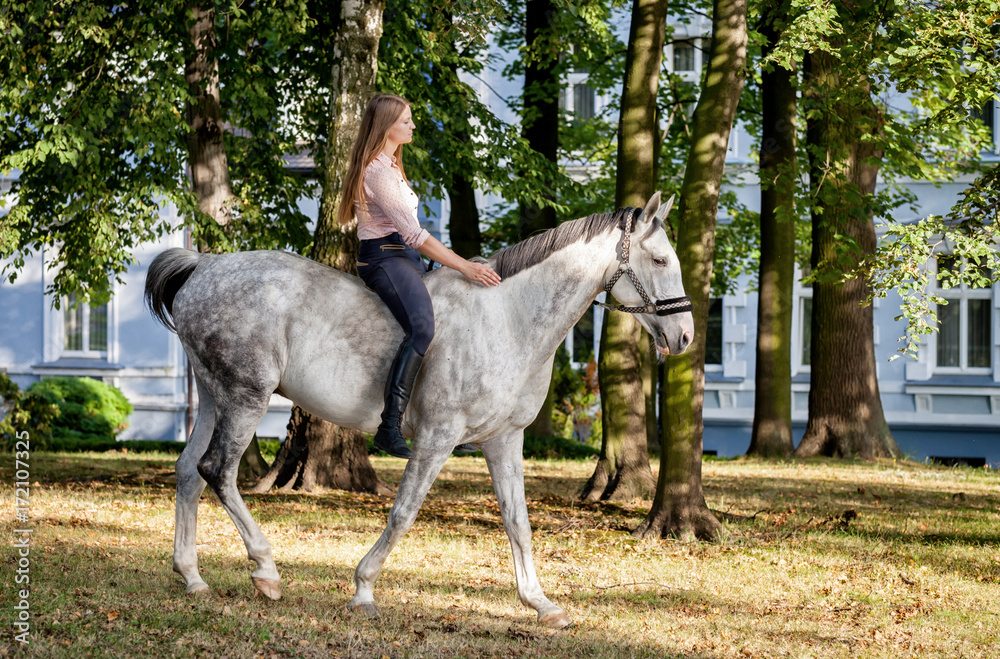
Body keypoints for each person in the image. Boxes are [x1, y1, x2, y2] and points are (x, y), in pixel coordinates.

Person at [337, 94, 501, 459]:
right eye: (406, 120)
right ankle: (389, 427)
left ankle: (450, 421)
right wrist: (464, 265)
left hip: (405, 257)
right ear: (387, 126)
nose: (413, 126)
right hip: (384, 259)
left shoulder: (393, 167)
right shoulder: (378, 172)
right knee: (423, 328)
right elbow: (414, 234)